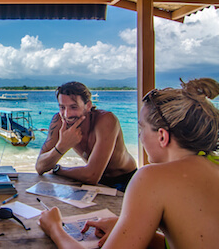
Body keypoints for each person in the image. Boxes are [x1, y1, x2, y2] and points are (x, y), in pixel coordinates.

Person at [39, 78, 219, 249]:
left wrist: (55, 228)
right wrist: (127, 230)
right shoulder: (214, 164)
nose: (139, 136)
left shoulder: (152, 177)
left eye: (141, 128)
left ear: (162, 136)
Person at [35, 81, 137, 192]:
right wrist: (61, 147)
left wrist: (58, 170)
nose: (67, 114)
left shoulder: (106, 120)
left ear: (88, 106)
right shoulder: (59, 121)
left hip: (126, 179)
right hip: (96, 180)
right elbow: (40, 167)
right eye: (62, 107)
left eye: (74, 107)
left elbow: (92, 176)